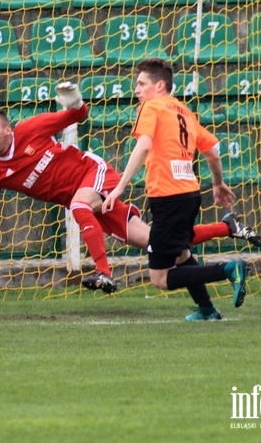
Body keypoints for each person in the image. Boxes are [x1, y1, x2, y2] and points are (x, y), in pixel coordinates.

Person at [0, 82, 261, 294]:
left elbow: (77, 116)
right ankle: (229, 228)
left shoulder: (31, 128)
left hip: (95, 176)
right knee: (158, 243)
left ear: (7, 129)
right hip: (86, 199)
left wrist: (74, 100)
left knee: (80, 206)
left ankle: (104, 272)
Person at [102, 58, 251, 321]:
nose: (136, 89)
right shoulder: (184, 111)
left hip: (168, 197)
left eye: (141, 83)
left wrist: (119, 189)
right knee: (182, 255)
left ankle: (229, 269)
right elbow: (213, 155)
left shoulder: (152, 107)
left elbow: (144, 145)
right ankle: (207, 310)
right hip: (190, 195)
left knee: (159, 278)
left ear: (159, 86)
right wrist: (217, 183)